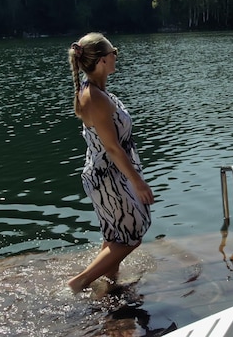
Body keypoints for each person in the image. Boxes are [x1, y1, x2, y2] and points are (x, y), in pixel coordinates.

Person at [66, 32, 154, 294]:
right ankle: (80, 282)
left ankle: (111, 285)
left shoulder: (94, 90)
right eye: (113, 52)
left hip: (105, 174)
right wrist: (138, 183)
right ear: (102, 60)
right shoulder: (95, 97)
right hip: (108, 178)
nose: (116, 56)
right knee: (131, 236)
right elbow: (113, 148)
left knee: (114, 237)